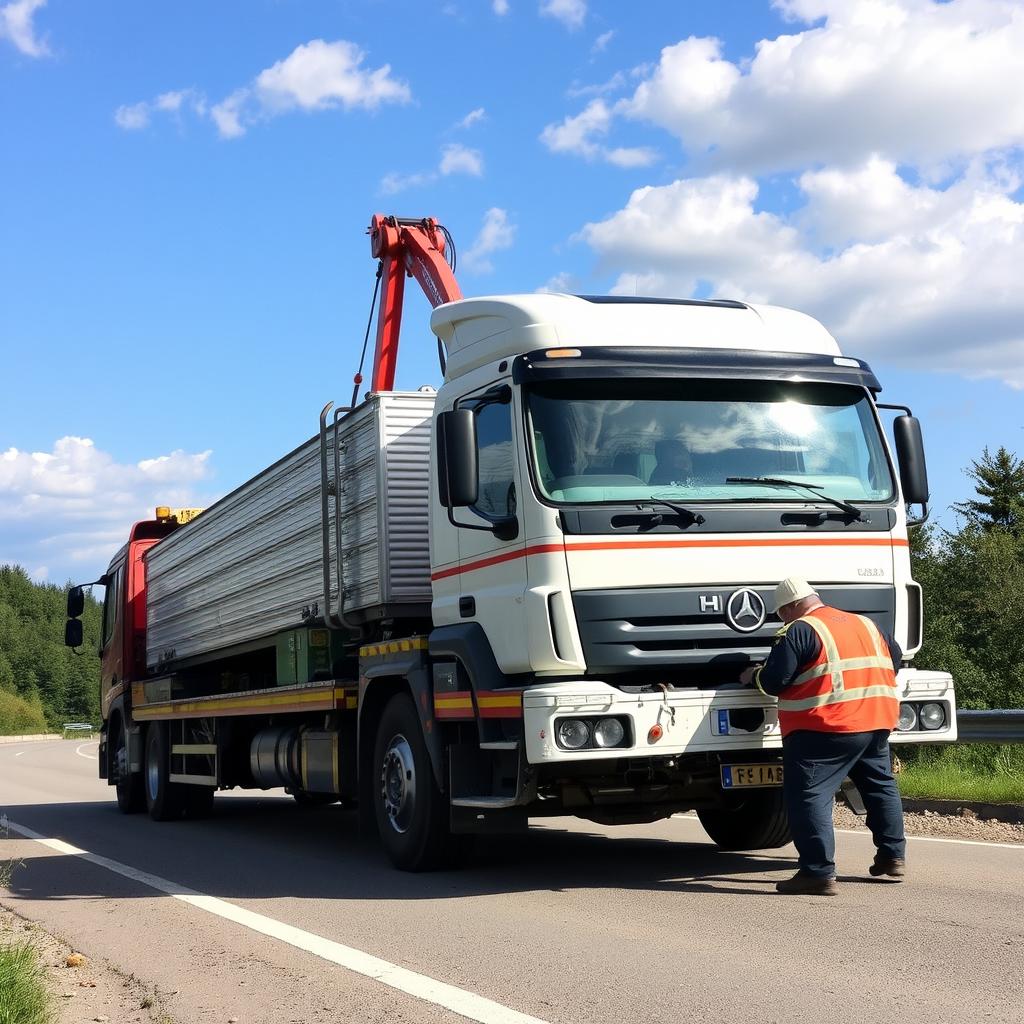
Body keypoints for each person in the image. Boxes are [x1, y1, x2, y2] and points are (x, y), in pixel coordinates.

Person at [739, 577, 905, 896]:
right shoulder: (866, 624)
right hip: (876, 719)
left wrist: (753, 675)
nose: (782, 619)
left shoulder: (799, 630)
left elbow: (775, 681)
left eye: (781, 613)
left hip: (825, 726)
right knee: (880, 786)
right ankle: (892, 857)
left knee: (810, 795)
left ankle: (817, 872)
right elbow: (892, 661)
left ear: (790, 607)